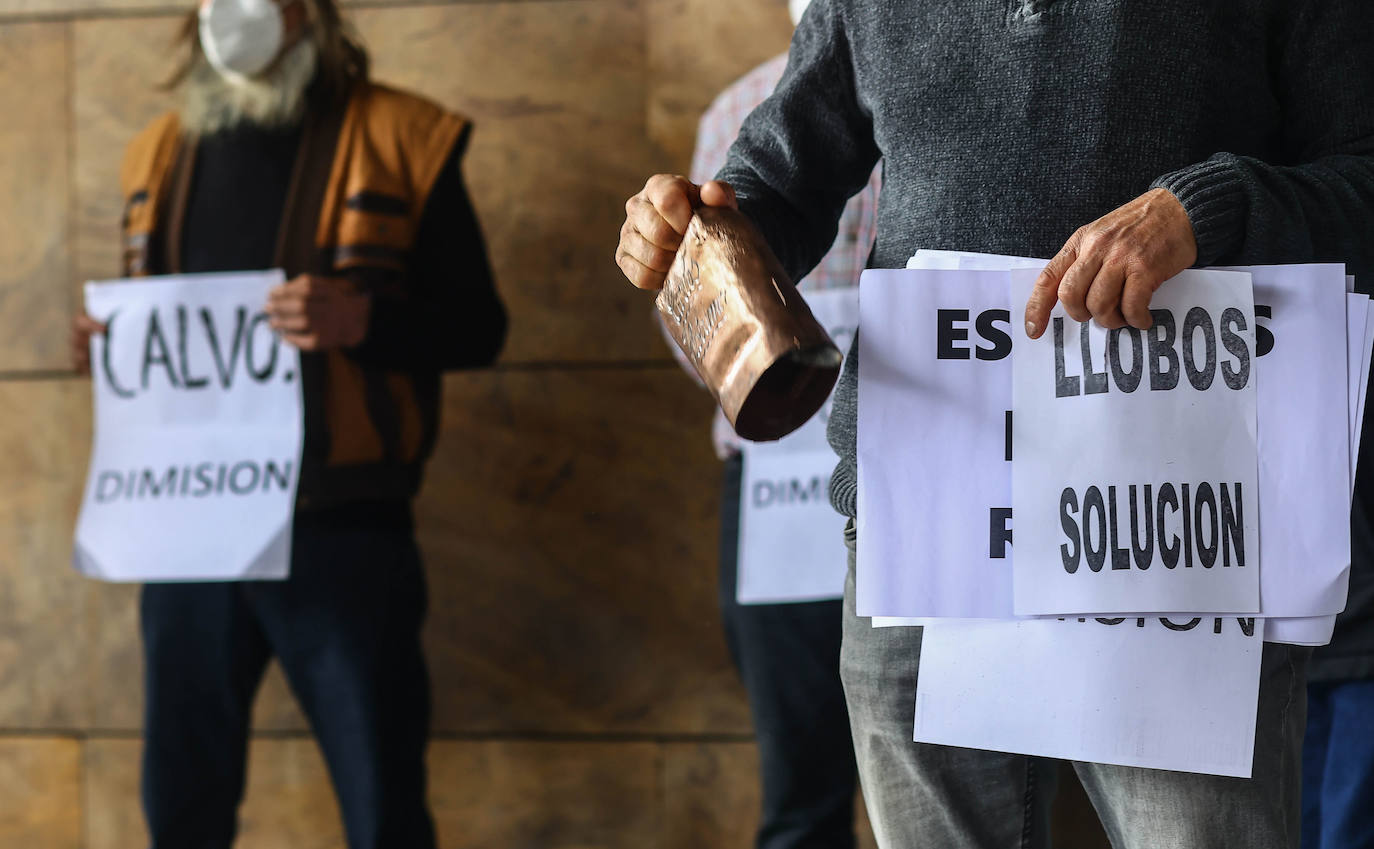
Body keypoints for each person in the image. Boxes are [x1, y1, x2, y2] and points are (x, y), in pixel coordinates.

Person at [615, 1, 1374, 846]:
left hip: (1176, 517)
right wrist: (698, 232)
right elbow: (774, 187)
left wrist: (1206, 210)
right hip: (923, 514)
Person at [70, 1, 506, 846]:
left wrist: (363, 322)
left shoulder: (405, 136)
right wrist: (111, 341)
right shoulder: (156, 152)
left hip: (341, 530)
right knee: (180, 802)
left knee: (381, 801)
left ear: (311, 12)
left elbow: (480, 327)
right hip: (185, 528)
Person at [666, 0, 880, 844]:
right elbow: (689, 304)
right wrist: (760, 374)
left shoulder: (937, 89)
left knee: (953, 767)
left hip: (923, 465)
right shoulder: (736, 111)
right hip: (777, 487)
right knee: (800, 782)